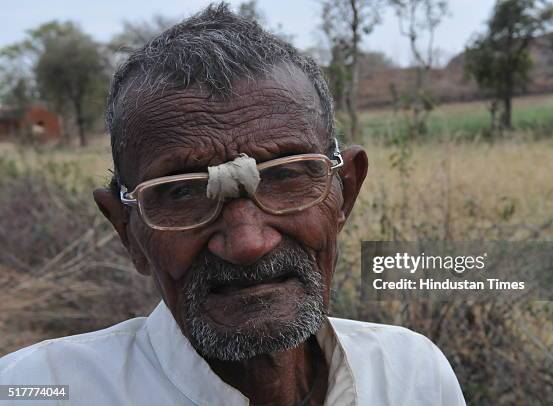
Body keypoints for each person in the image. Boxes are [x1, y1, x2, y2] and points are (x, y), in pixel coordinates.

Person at [0, 4, 465, 405]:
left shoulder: (411, 376)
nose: (246, 242)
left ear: (345, 191)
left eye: (284, 175)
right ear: (126, 229)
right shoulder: (38, 389)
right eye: (181, 192)